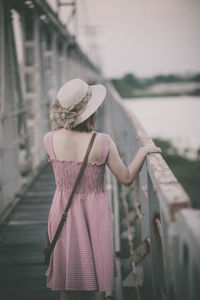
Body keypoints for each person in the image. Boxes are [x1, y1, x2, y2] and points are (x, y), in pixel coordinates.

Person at [43, 78, 162, 300]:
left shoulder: (48, 139)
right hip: (94, 214)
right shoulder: (102, 142)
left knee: (66, 285)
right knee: (94, 281)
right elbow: (126, 178)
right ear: (91, 111)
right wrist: (143, 152)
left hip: (61, 212)